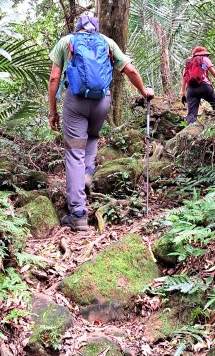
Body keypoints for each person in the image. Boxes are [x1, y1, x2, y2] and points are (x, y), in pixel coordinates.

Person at [48, 15, 154, 232]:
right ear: (95, 29)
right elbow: (130, 70)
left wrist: (52, 112)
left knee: (74, 152)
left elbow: (54, 79)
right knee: (92, 137)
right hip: (101, 102)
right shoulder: (107, 42)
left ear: (77, 28)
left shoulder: (66, 42)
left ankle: (78, 213)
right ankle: (87, 174)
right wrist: (145, 93)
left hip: (75, 102)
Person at [180, 46, 215, 124]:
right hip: (204, 86)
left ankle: (190, 131)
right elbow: (214, 74)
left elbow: (184, 78)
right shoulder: (204, 59)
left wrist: (182, 92)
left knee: (192, 113)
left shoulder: (188, 62)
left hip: (190, 89)